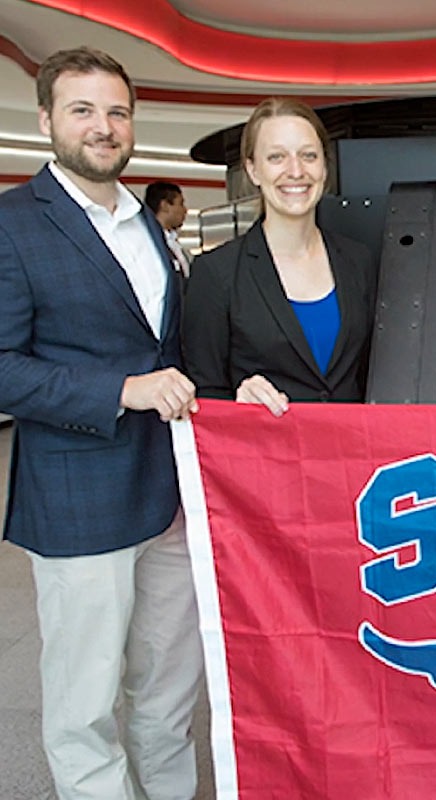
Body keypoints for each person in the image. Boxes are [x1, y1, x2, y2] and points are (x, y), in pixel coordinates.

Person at [0, 47, 202, 800]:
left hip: (170, 493)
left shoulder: (147, 225)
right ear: (47, 118)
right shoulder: (13, 224)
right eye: (82, 109)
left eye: (116, 111)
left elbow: (170, 349)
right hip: (77, 499)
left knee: (169, 692)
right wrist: (122, 389)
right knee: (84, 706)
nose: (103, 126)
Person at [182, 98, 376, 413]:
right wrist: (237, 399)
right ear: (253, 170)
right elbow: (203, 393)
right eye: (276, 157)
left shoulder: (358, 261)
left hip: (349, 454)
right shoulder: (216, 273)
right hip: (264, 455)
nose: (296, 171)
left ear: (324, 167)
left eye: (308, 156)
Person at [145, 180, 191, 277]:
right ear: (165, 206)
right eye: (181, 204)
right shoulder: (148, 243)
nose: (185, 210)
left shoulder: (174, 242)